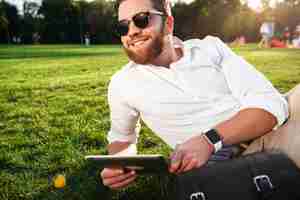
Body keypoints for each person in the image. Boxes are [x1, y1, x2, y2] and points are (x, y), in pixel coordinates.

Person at [100, 0, 300, 190]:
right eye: (123, 27)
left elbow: (271, 103)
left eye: (142, 19)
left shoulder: (209, 48)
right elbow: (122, 139)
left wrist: (208, 139)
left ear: (168, 23)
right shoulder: (122, 84)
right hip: (235, 157)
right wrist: (119, 163)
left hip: (269, 127)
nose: (132, 31)